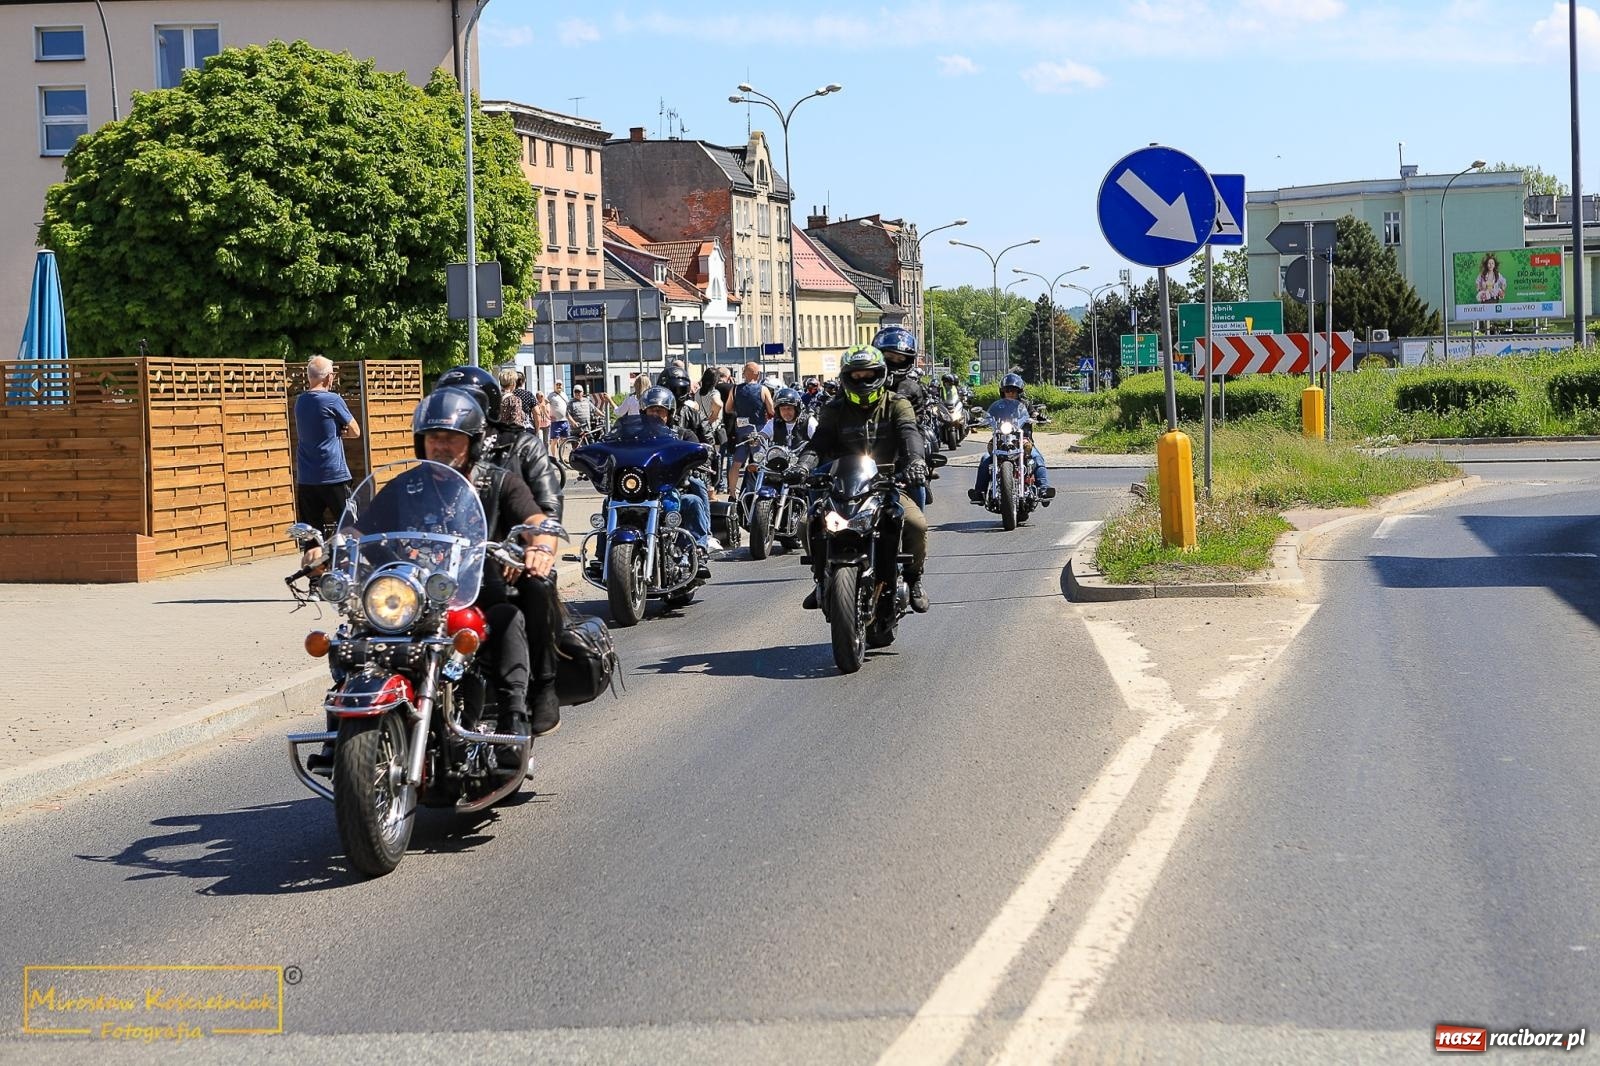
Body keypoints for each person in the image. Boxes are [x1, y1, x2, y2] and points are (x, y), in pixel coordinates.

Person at [794, 345, 930, 613]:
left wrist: (915, 462)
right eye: (855, 375)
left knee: (916, 524)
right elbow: (818, 443)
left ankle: (914, 579)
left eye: (868, 375)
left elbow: (909, 433)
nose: (862, 380)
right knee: (806, 523)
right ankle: (820, 578)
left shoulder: (897, 404)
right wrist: (802, 466)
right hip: (843, 487)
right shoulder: (834, 409)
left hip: (887, 485)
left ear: (881, 374)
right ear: (845, 377)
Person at [637, 387, 716, 556]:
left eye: (660, 410)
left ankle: (698, 549)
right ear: (644, 413)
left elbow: (700, 451)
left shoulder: (682, 435)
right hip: (639, 493)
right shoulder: (634, 437)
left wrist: (699, 458)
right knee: (610, 502)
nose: (655, 414)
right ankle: (602, 557)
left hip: (672, 491)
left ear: (669, 413)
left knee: (693, 501)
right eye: (651, 410)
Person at [293, 355, 361, 533]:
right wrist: (342, 433)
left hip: (307, 478)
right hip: (333, 475)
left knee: (311, 535)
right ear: (329, 377)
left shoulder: (300, 401)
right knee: (350, 530)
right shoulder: (332, 400)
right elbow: (355, 431)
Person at [874, 325, 935, 506]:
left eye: (900, 359)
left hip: (900, 449)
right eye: (889, 357)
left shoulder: (911, 388)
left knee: (917, 491)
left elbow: (912, 428)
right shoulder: (862, 382)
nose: (894, 362)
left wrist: (915, 462)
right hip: (864, 446)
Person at [969, 373, 1052, 504]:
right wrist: (979, 419)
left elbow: (1033, 413)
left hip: (1023, 440)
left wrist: (1038, 417)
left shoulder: (1025, 404)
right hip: (1000, 440)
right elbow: (989, 416)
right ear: (1003, 392)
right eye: (1007, 390)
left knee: (1037, 458)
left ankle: (1043, 489)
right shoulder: (998, 406)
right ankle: (979, 492)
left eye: (1013, 390)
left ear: (1019, 391)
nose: (1010, 393)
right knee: (985, 459)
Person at [727, 361, 775, 499]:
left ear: (744, 374)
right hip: (758, 430)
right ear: (758, 374)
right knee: (760, 462)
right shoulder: (763, 389)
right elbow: (771, 410)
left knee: (737, 463)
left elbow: (728, 408)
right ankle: (760, 491)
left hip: (741, 430)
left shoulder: (735, 389)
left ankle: (732, 493)